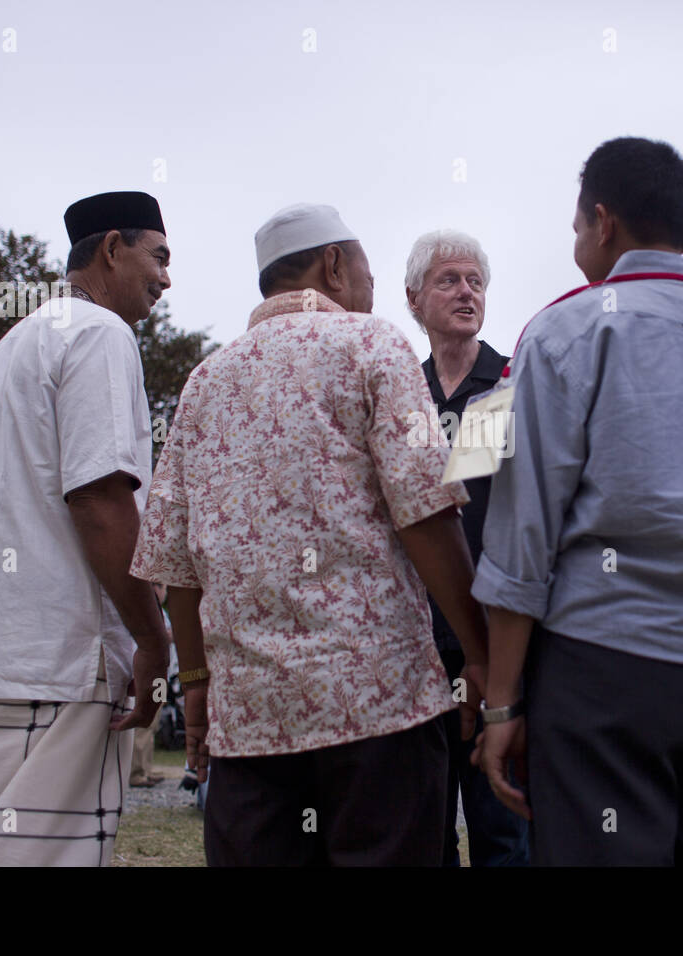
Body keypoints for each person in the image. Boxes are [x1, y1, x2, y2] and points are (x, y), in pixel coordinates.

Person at [472, 137, 683, 866]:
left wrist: (503, 704)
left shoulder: (567, 333)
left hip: (607, 674)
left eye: (575, 228)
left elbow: (524, 536)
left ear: (602, 222)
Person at [131, 203, 489, 866]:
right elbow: (427, 511)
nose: (371, 289)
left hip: (251, 730)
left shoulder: (203, 382)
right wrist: (480, 649)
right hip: (380, 718)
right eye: (368, 272)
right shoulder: (371, 344)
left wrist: (199, 686)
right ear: (334, 266)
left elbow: (175, 566)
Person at [0, 192, 173, 866]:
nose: (167, 279)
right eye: (160, 257)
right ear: (113, 248)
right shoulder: (101, 334)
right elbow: (99, 499)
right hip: (59, 667)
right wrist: (150, 636)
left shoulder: (12, 344)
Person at [405, 229, 528, 867]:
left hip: (494, 639)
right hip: (414, 645)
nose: (466, 292)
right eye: (449, 280)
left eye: (476, 281)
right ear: (413, 299)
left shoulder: (507, 384)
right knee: (423, 830)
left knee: (500, 827)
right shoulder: (399, 393)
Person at [130, 583, 171, 788]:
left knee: (154, 722)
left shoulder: (163, 613)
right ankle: (137, 771)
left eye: (160, 586)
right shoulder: (143, 610)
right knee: (144, 724)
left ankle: (146, 766)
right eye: (154, 585)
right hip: (151, 676)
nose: (158, 590)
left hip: (162, 678)